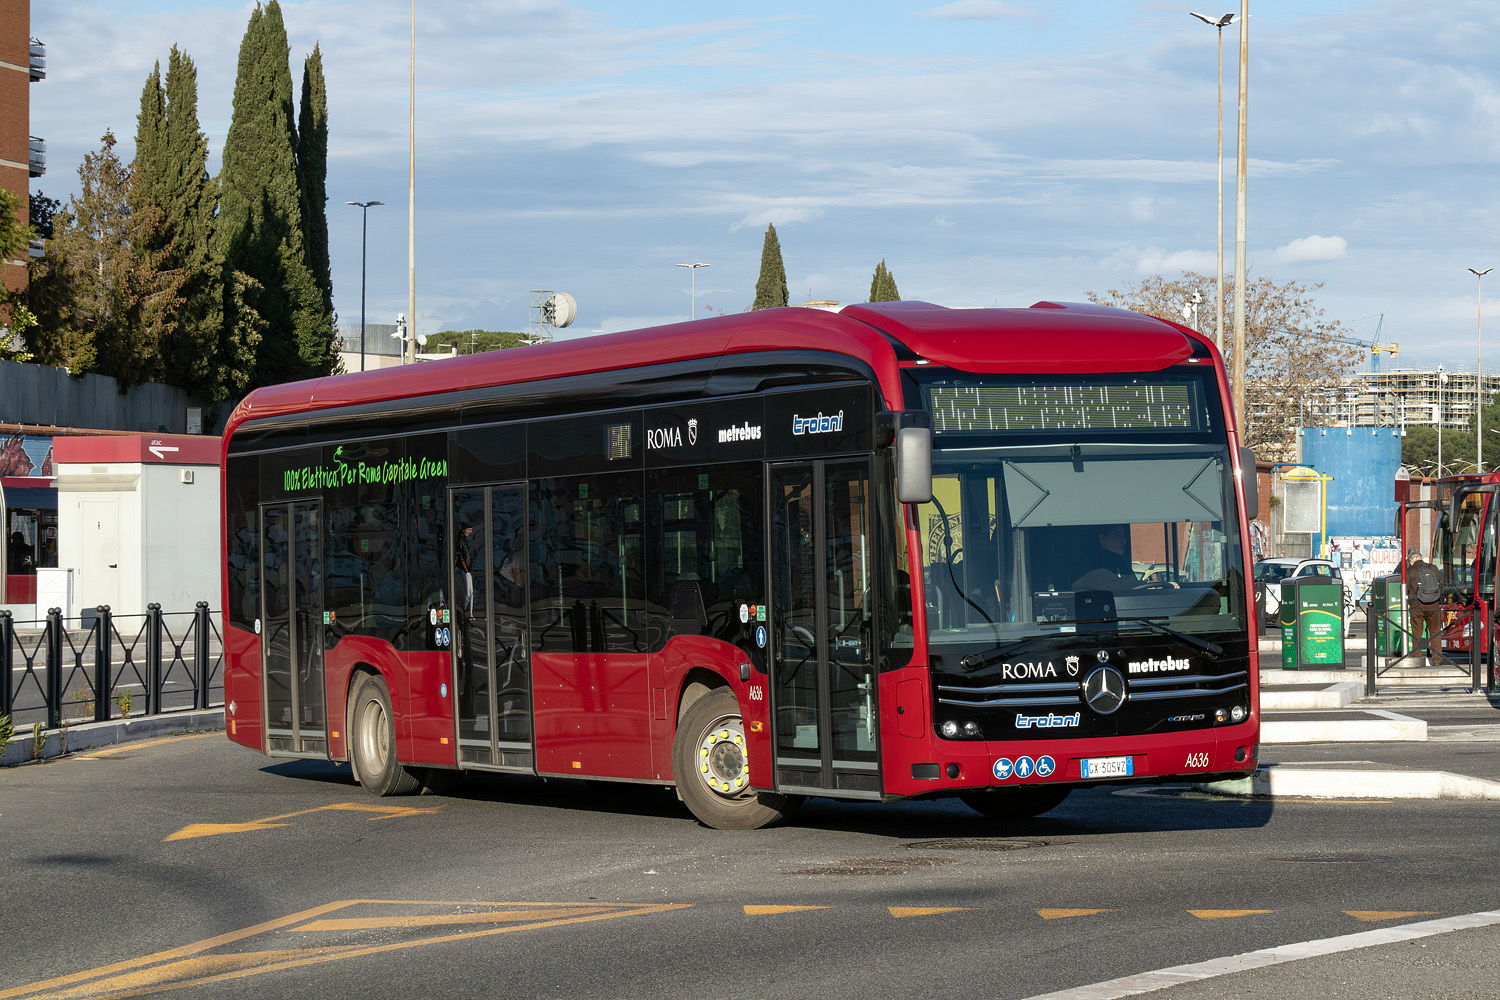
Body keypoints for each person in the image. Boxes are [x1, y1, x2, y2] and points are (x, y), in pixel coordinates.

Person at [1404, 547, 1447, 667]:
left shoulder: (1410, 570)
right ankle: (1437, 660)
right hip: (1433, 605)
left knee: (1417, 632)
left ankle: (1417, 658)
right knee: (1435, 632)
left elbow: (1405, 588)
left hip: (1416, 606)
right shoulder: (1433, 568)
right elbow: (1441, 584)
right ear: (1421, 559)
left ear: (1411, 560)